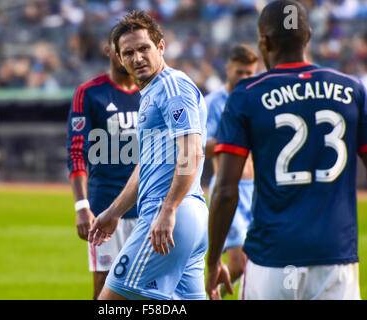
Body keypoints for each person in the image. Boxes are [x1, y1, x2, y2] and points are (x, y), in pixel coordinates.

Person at [206, 0, 367, 300]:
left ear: (263, 41)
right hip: (336, 258)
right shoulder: (352, 89)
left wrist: (214, 259)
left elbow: (226, 191)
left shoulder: (247, 95)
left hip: (273, 258)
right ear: (308, 37)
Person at [88, 10, 208, 300]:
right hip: (187, 217)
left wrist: (167, 210)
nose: (137, 58)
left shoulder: (171, 86)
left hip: (167, 213)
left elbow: (191, 152)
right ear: (119, 58)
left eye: (144, 48)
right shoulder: (151, 94)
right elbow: (147, 166)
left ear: (161, 47)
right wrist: (114, 212)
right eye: (128, 52)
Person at [66, 27, 140, 299]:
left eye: (136, 50)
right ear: (110, 50)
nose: (128, 57)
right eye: (123, 49)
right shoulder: (89, 93)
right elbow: (76, 151)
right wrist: (82, 206)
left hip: (149, 207)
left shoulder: (154, 92)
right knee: (105, 286)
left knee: (152, 289)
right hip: (106, 207)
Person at [205, 44, 258, 293]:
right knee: (238, 263)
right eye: (240, 72)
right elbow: (199, 146)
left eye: (250, 73)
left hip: (257, 190)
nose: (245, 78)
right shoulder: (214, 102)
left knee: (255, 265)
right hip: (229, 186)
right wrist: (234, 139)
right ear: (228, 69)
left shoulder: (257, 98)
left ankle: (215, 294)